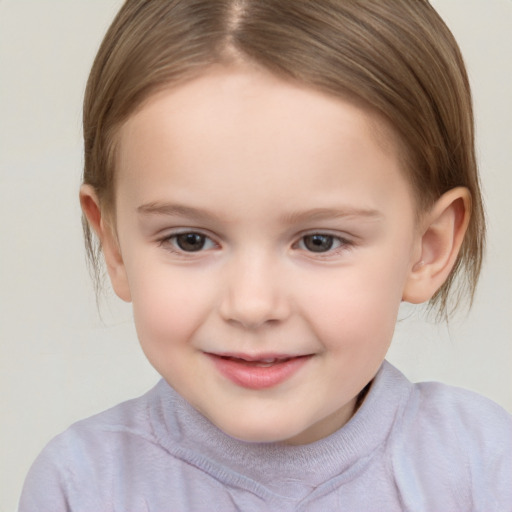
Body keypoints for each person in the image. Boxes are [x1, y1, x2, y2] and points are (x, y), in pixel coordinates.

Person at [18, 1, 512, 510]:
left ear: (427, 248)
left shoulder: (484, 467)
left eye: (319, 241)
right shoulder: (81, 486)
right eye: (190, 240)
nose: (252, 305)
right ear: (115, 244)